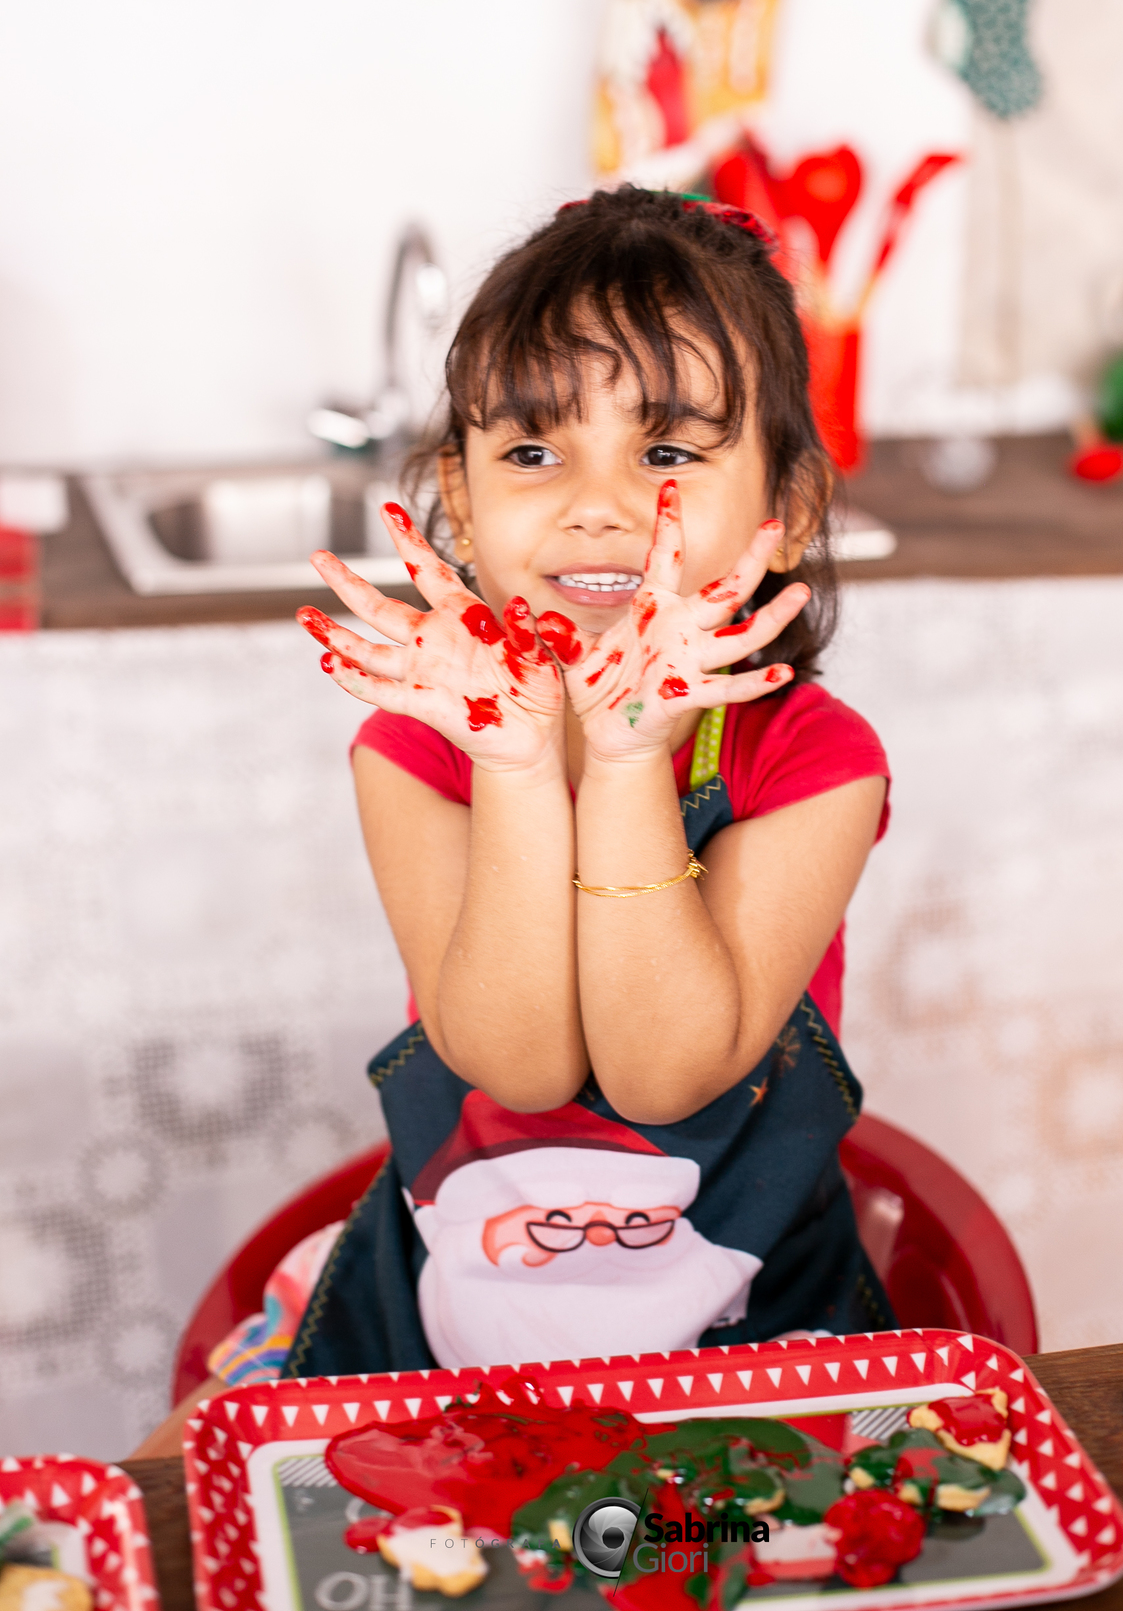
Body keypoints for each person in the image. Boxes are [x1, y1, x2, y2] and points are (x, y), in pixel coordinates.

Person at [133, 187, 892, 1455]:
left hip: (746, 1330)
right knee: (177, 1479)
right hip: (441, 1302)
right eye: (533, 453)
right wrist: (523, 767)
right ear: (463, 499)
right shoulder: (418, 749)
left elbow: (662, 1075)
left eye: (667, 452)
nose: (596, 504)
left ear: (791, 511)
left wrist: (637, 755)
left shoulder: (815, 758)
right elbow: (517, 1062)